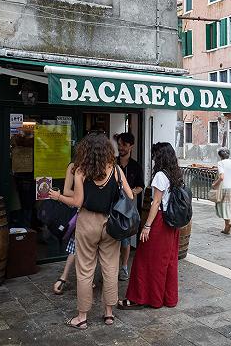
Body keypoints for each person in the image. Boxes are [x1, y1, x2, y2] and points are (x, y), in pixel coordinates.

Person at [49, 132, 133, 329]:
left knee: (85, 270)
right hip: (110, 224)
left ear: (85, 151)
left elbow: (76, 201)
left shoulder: (80, 172)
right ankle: (109, 314)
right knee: (110, 268)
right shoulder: (117, 170)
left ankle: (82, 317)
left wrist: (58, 197)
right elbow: (129, 195)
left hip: (87, 223)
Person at [117, 142, 181, 310]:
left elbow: (156, 203)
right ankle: (167, 298)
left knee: (144, 260)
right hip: (172, 224)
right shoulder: (176, 174)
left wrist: (147, 226)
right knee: (168, 261)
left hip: (160, 221)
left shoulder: (160, 175)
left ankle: (141, 298)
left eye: (154, 155)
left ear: (158, 156)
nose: (152, 158)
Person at [114, 133, 145, 282]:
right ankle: (111, 267)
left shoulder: (136, 166)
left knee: (125, 241)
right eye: (119, 144)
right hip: (112, 207)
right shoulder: (112, 163)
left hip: (126, 209)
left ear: (131, 146)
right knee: (111, 240)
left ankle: (124, 267)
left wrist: (132, 191)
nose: (120, 148)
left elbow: (141, 186)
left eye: (124, 145)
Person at [52, 162, 77, 295]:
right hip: (79, 209)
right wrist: (84, 195)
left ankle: (64, 278)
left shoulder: (96, 165)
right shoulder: (73, 166)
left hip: (91, 210)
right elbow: (67, 191)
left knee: (79, 245)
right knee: (77, 243)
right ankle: (64, 278)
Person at [211, 147, 231, 234]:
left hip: (224, 188)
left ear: (220, 156)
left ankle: (228, 224)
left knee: (222, 206)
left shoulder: (220, 163)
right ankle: (226, 227)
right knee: (230, 206)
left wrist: (214, 184)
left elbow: (221, 177)